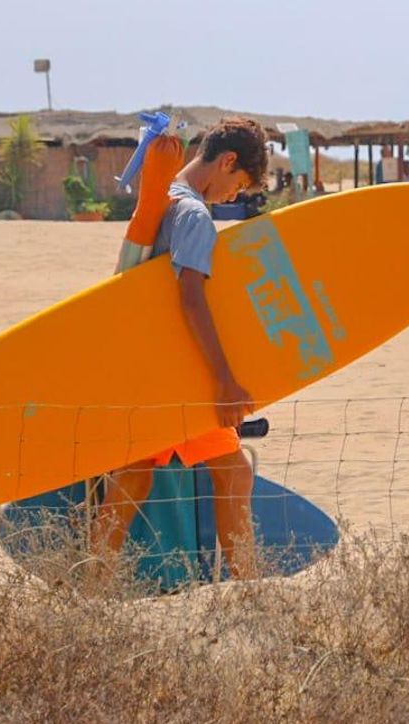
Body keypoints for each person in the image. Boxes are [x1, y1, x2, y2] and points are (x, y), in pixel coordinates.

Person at [94, 119, 270, 580]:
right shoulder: (193, 215)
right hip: (181, 374)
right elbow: (190, 298)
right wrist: (225, 378)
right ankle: (250, 592)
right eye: (240, 183)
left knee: (133, 474)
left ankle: (90, 586)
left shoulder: (161, 194)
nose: (235, 196)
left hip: (143, 367)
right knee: (233, 474)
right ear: (227, 161)